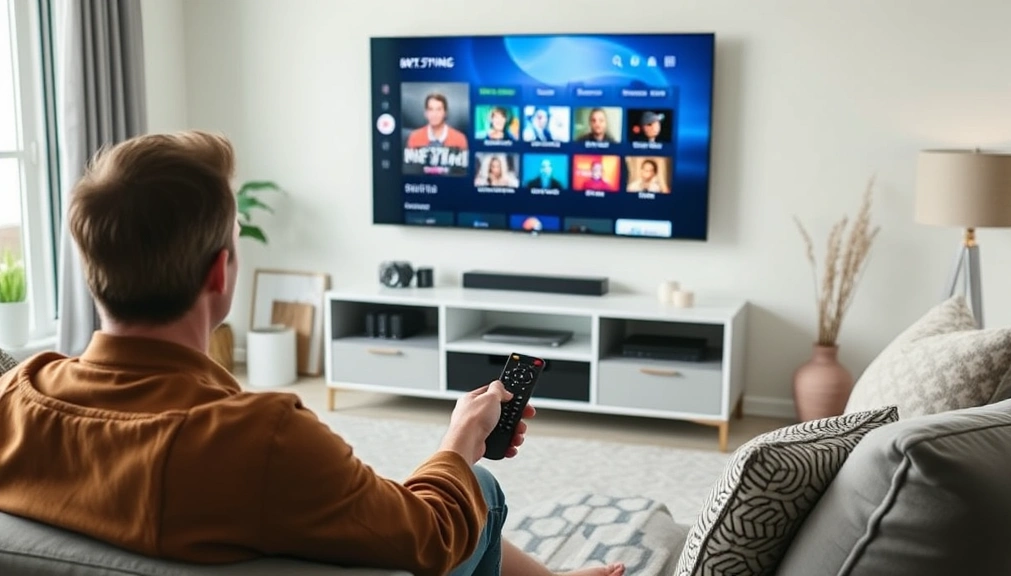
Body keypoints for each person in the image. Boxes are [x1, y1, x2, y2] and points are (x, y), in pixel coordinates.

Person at [0, 131, 623, 576]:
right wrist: (460, 438)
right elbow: (433, 537)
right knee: (478, 487)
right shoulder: (259, 436)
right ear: (221, 272)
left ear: (89, 270)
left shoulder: (16, 398)